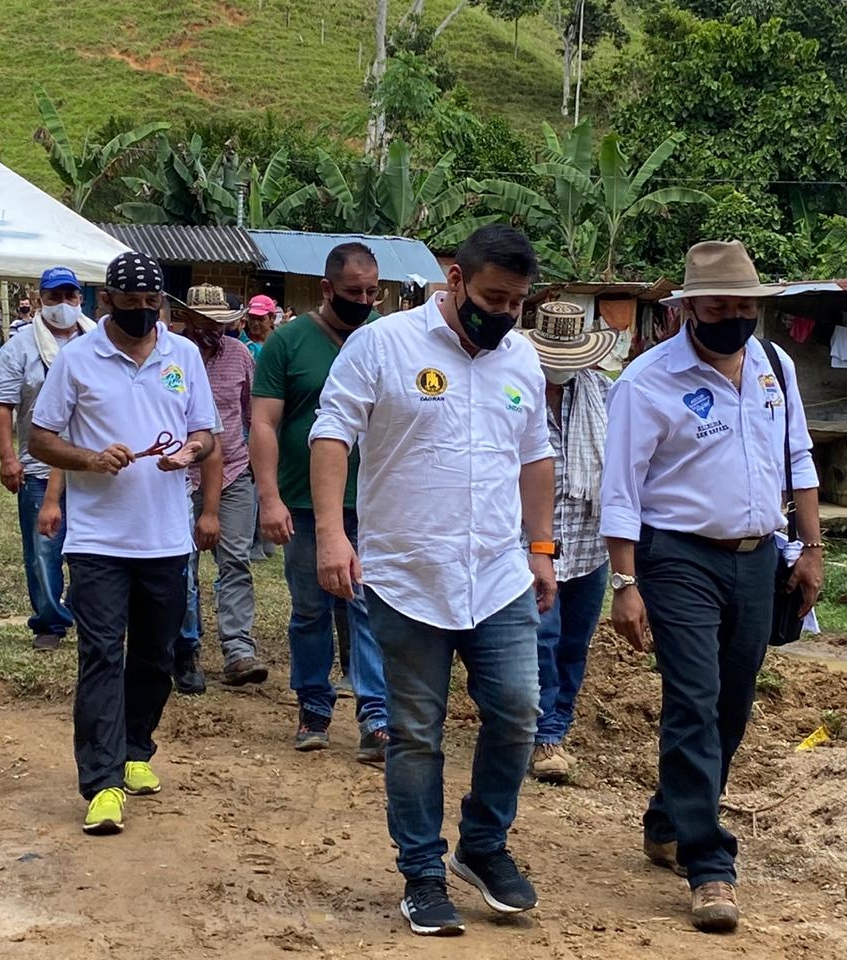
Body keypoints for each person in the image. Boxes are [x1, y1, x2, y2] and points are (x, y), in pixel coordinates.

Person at [310, 225, 556, 937]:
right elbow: (331, 434)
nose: (504, 313)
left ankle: (482, 846)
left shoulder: (523, 357)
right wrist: (333, 534)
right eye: (491, 297)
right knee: (415, 732)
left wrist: (541, 549)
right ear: (455, 279)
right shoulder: (384, 344)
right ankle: (421, 873)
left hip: (498, 573)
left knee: (517, 713)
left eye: (516, 301)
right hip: (408, 572)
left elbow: (535, 455)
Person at [600, 240, 824, 933]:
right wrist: (625, 582)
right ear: (689, 306)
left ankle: (669, 819)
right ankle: (709, 863)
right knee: (693, 702)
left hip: (759, 558)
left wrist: (811, 547)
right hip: (679, 559)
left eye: (744, 304)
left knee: (731, 703)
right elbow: (622, 490)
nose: (734, 314)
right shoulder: (647, 381)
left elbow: (799, 458)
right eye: (719, 302)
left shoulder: (775, 368)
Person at [28, 251, 218, 836]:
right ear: (105, 301)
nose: (143, 315)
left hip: (164, 538)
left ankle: (136, 749)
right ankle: (102, 782)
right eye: (131, 305)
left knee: (155, 656)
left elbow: (206, 433)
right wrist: (88, 458)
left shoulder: (182, 355)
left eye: (151, 305)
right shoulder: (78, 360)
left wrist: (189, 453)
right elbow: (39, 438)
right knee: (102, 655)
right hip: (98, 540)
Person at [249, 243, 388, 762]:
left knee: (367, 606)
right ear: (327, 288)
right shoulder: (288, 342)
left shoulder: (384, 339)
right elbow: (263, 423)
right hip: (304, 500)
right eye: (354, 292)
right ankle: (313, 705)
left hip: (373, 500)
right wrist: (269, 498)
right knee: (310, 608)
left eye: (373, 291)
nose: (365, 300)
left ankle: (376, 713)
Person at [515, 301, 616, 785]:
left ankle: (557, 723)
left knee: (574, 643)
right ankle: (542, 736)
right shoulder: (515, 394)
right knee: (541, 639)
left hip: (588, 543)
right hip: (528, 542)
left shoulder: (603, 395)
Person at [0, 266, 93, 650]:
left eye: (70, 296)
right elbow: (1, 403)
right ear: (40, 299)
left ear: (80, 298)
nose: (63, 304)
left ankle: (87, 613)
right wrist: (8, 458)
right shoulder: (19, 347)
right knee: (43, 549)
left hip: (89, 467)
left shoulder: (98, 340)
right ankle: (49, 621)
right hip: (37, 466)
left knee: (91, 548)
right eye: (54, 297)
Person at [175, 285, 269, 688]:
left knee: (235, 560)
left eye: (220, 321)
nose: (211, 328)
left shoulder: (240, 356)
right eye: (204, 320)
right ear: (190, 318)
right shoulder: (172, 355)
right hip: (178, 475)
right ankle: (185, 649)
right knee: (182, 566)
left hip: (232, 470)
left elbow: (252, 415)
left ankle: (238, 649)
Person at [241, 294, 277, 362]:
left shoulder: (281, 344)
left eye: (261, 319)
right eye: (251, 318)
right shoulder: (242, 343)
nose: (255, 323)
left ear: (273, 318)